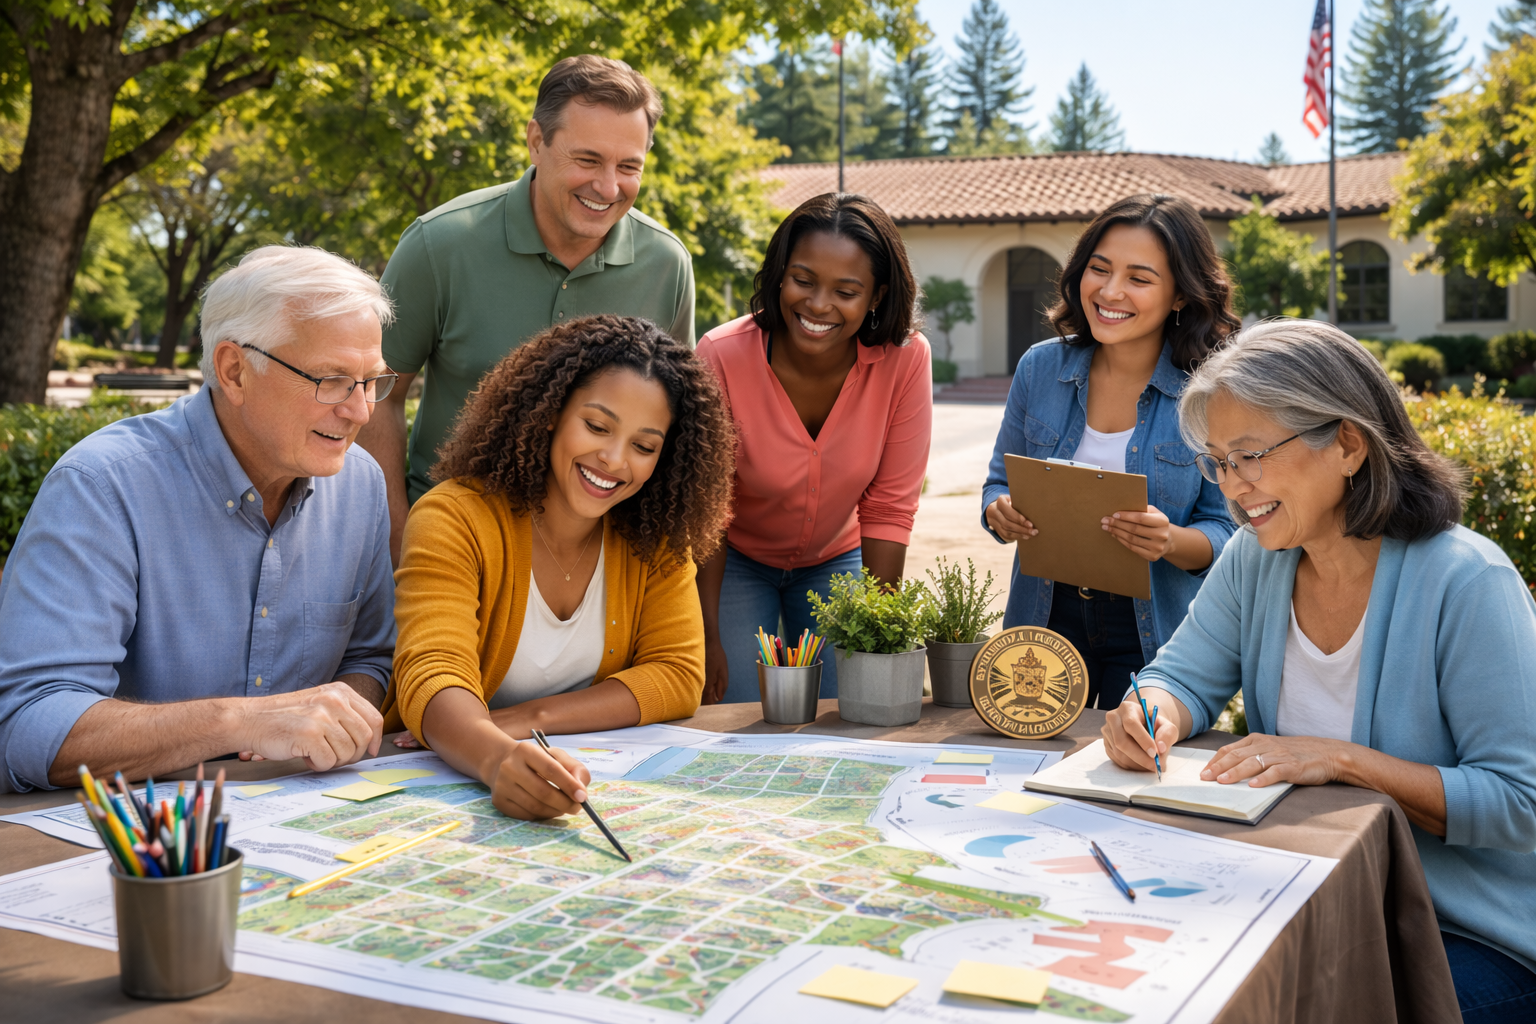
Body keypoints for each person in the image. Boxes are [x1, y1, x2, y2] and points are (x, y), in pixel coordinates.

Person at [1103, 319, 1536, 1022]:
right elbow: (1180, 676)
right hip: (1318, 903)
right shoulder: (1256, 557)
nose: (1234, 487)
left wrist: (1341, 760)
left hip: (1467, 937)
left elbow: (1521, 803)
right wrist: (1151, 709)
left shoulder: (1468, 579)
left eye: (1250, 456)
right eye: (1217, 462)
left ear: (1347, 444)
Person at [0, 246, 398, 792]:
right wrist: (241, 723)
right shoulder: (102, 486)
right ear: (234, 370)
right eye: (331, 379)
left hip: (301, 818)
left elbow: (370, 659)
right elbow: (28, 726)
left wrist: (339, 718)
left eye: (371, 380)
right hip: (127, 839)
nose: (360, 411)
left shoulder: (361, 483)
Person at [383, 315, 733, 819]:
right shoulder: (453, 515)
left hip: (591, 786)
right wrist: (497, 756)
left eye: (644, 446)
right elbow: (433, 673)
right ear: (549, 412)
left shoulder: (657, 540)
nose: (614, 459)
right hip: (442, 787)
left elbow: (677, 676)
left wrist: (526, 720)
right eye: (596, 426)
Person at [360, 55, 696, 566]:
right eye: (588, 160)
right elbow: (378, 393)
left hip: (598, 561)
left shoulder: (667, 264)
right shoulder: (439, 245)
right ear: (537, 141)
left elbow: (672, 422)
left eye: (629, 167)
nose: (608, 188)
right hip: (453, 544)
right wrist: (397, 533)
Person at [981, 193, 1241, 710]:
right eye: (1099, 269)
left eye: (1139, 279)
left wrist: (1169, 539)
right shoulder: (1039, 368)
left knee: (1131, 773)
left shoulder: (1212, 394)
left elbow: (1230, 529)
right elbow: (998, 483)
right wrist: (998, 510)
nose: (1111, 291)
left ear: (1181, 296)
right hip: (1044, 616)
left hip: (1153, 628)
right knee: (1031, 769)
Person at [693, 193, 931, 705]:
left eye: (846, 291)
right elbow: (708, 508)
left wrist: (878, 634)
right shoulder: (720, 355)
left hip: (836, 559)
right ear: (780, 275)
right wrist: (706, 635)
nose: (818, 305)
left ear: (876, 296)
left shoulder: (905, 359)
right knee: (738, 703)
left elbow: (890, 506)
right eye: (803, 281)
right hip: (735, 560)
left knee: (857, 705)